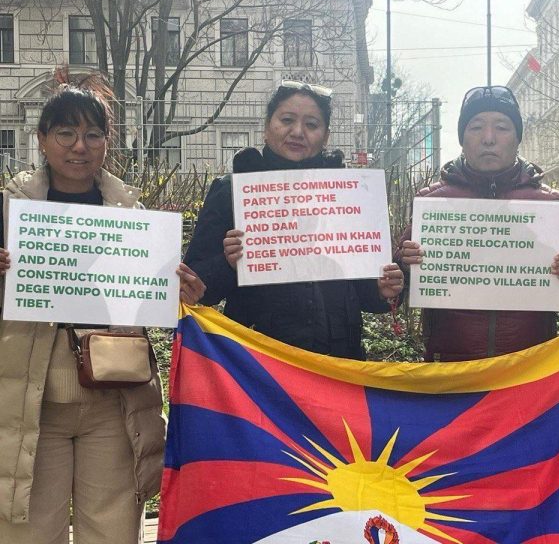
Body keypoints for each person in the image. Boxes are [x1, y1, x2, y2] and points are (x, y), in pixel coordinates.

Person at [0, 72, 205, 544]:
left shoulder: (133, 216)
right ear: (42, 139)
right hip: (32, 404)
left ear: (107, 142)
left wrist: (182, 293)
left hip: (114, 402)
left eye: (93, 134)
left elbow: (146, 303)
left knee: (112, 531)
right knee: (31, 533)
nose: (80, 146)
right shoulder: (9, 212)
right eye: (66, 133)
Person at [184, 81, 404, 360]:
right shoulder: (232, 192)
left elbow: (363, 293)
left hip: (339, 363)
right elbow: (196, 288)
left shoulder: (348, 196)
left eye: (312, 124)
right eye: (287, 120)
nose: (298, 132)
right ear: (267, 127)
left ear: (325, 136)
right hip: (261, 366)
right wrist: (228, 264)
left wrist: (382, 289)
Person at [397, 85, 559, 362]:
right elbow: (392, 286)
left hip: (527, 366)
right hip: (452, 367)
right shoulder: (432, 202)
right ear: (462, 138)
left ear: (517, 138)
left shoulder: (547, 204)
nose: (488, 138)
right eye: (476, 127)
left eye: (501, 127)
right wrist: (405, 263)